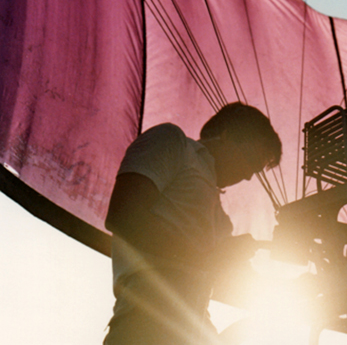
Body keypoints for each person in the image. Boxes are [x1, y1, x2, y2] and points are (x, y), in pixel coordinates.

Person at [103, 102, 282, 345]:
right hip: (146, 319)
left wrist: (295, 286)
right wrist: (211, 255)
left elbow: (228, 279)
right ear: (227, 134)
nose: (250, 175)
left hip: (194, 327)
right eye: (250, 159)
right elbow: (124, 214)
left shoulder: (219, 217)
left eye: (256, 170)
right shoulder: (172, 142)